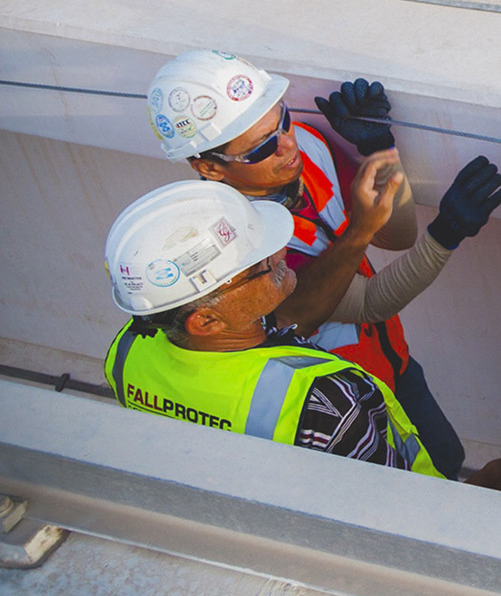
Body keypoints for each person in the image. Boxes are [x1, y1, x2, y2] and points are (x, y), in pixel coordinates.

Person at [146, 50, 461, 478]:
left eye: (283, 120)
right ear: (208, 168)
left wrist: (378, 149)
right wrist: (445, 233)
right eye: (263, 147)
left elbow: (395, 235)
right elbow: (369, 303)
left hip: (393, 364)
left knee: (447, 460)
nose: (288, 145)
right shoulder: (235, 249)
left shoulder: (306, 148)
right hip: (337, 403)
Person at [101, 179, 501, 492]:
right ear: (206, 322)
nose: (280, 251)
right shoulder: (323, 401)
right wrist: (485, 493)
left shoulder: (128, 351)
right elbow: (405, 515)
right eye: (257, 266)